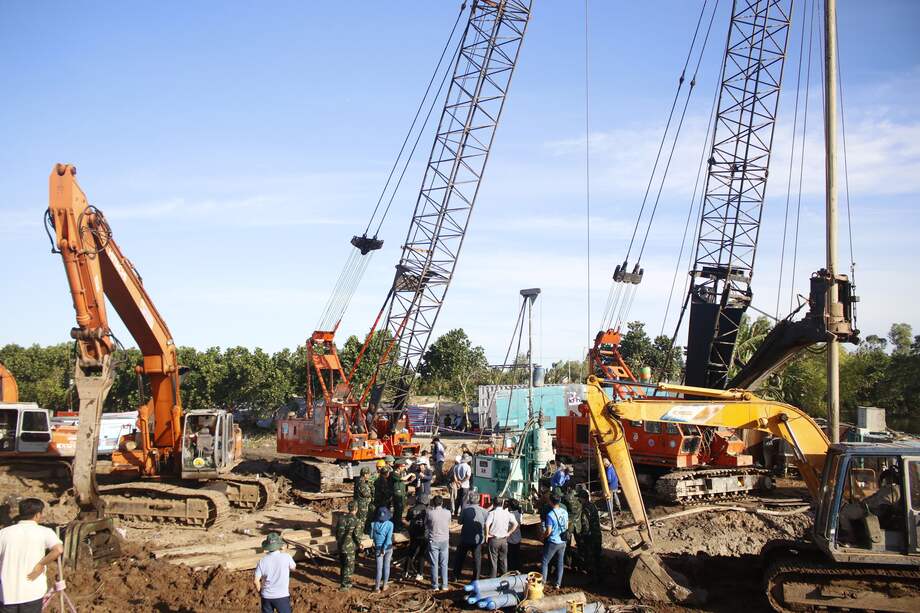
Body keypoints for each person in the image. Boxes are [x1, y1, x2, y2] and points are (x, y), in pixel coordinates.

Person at [0, 498, 64, 613]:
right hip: (32, 593)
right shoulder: (45, 531)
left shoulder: (3, 533)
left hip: (6, 594)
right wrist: (41, 564)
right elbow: (58, 549)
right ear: (38, 515)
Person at [254, 532, 296, 613]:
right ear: (279, 545)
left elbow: (256, 581)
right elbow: (293, 568)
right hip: (281, 596)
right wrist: (284, 552)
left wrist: (261, 592)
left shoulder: (262, 561)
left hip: (266, 597)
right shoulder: (286, 557)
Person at [453, 491, 487, 582]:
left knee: (460, 557)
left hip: (465, 538)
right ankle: (476, 579)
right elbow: (487, 524)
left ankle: (455, 576)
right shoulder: (484, 511)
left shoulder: (465, 510)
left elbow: (460, 522)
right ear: (478, 500)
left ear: (469, 499)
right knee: (477, 560)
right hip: (477, 540)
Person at [484, 497, 519, 578]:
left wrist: (487, 535)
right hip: (504, 540)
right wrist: (509, 533)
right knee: (503, 560)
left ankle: (493, 579)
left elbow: (486, 524)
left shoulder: (492, 513)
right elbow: (515, 524)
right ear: (502, 503)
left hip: (494, 539)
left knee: (493, 561)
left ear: (494, 504)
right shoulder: (507, 513)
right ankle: (504, 579)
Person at [541, 493, 569, 589]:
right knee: (560, 562)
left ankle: (543, 583)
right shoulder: (564, 512)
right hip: (563, 541)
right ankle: (558, 584)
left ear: (550, 502)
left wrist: (543, 536)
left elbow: (548, 531)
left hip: (553, 541)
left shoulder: (550, 515)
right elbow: (566, 525)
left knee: (545, 561)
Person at [335, 501, 363, 591]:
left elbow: (337, 533)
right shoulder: (357, 521)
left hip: (340, 546)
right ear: (356, 509)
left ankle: (342, 580)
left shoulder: (341, 518)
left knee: (343, 565)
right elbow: (357, 535)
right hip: (349, 547)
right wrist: (360, 544)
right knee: (349, 566)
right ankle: (345, 585)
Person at [426, 495, 451, 592]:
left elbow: (427, 524)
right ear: (442, 503)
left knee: (434, 563)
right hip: (444, 540)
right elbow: (448, 522)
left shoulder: (430, 513)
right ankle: (445, 585)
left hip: (433, 540)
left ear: (433, 503)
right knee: (444, 564)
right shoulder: (448, 513)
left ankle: (435, 585)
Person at [577, 488, 603, 583]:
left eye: (579, 498)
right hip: (597, 534)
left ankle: (591, 577)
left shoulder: (585, 508)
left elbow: (585, 524)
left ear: (583, 498)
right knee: (597, 556)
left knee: (589, 556)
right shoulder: (593, 506)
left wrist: (583, 536)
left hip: (590, 536)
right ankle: (599, 576)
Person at [404, 493, 429, 582]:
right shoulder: (428, 511)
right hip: (423, 535)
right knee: (421, 555)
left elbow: (407, 519)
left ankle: (405, 572)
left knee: (410, 552)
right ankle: (419, 574)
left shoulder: (411, 509)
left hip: (413, 534)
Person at [370, 506, 394, 592]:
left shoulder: (373, 524)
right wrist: (384, 548)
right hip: (388, 548)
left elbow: (371, 536)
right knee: (387, 567)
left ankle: (377, 587)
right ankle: (384, 585)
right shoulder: (390, 524)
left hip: (378, 548)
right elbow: (388, 538)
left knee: (379, 568)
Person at [562, 483, 583, 571]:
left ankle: (568, 562)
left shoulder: (565, 498)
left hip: (569, 524)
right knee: (580, 545)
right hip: (578, 524)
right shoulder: (580, 498)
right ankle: (581, 563)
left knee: (567, 545)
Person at [354, 466, 374, 534]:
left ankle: (363, 532)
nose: (369, 476)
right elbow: (366, 494)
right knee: (362, 520)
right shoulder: (362, 483)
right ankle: (359, 534)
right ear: (365, 474)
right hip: (362, 505)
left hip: (363, 504)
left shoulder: (362, 481)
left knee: (363, 519)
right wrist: (372, 493)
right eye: (369, 474)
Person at [391, 459, 410, 532]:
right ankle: (396, 527)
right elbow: (402, 479)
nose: (404, 468)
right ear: (399, 467)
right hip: (397, 496)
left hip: (402, 495)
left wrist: (410, 481)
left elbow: (402, 482)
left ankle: (398, 525)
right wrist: (410, 474)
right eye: (403, 466)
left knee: (400, 511)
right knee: (398, 512)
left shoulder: (399, 473)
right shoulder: (394, 473)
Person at [505, 498, 523, 571]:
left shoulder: (510, 514)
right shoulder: (519, 513)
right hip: (518, 536)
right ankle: (517, 568)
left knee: (510, 554)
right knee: (517, 554)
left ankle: (511, 569)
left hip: (510, 537)